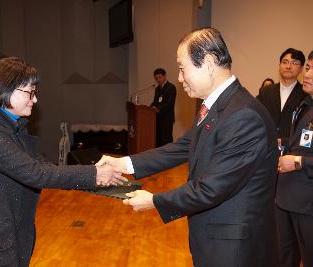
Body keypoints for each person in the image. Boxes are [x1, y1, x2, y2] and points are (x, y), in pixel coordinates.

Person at [97, 28, 279, 266]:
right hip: (215, 240)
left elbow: (212, 188)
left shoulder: (242, 115)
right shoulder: (219, 106)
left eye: (183, 68)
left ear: (210, 63)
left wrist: (154, 201)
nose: (180, 78)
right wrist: (123, 162)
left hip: (234, 250)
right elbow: (182, 146)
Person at [0, 57, 127, 266]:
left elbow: (43, 166)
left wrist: (91, 171)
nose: (35, 100)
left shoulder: (9, 127)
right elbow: (35, 173)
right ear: (6, 89)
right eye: (30, 92)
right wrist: (94, 175)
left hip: (6, 231)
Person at [276, 50, 313, 267]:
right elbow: (303, 142)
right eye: (308, 68)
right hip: (287, 199)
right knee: (284, 257)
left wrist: (297, 162)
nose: (307, 74)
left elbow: (303, 156)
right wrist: (282, 143)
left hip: (308, 204)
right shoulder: (306, 105)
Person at [257, 48, 306, 146]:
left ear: (301, 69)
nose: (288, 66)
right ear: (279, 65)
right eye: (285, 62)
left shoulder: (305, 95)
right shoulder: (265, 92)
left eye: (294, 63)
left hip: (292, 151)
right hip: (266, 147)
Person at [150, 68, 177, 147]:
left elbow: (170, 103)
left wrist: (159, 109)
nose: (158, 80)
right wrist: (149, 108)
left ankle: (169, 156)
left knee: (166, 139)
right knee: (158, 139)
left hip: (167, 118)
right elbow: (155, 101)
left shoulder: (171, 87)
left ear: (165, 76)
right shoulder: (157, 89)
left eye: (160, 77)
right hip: (158, 118)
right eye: (156, 78)